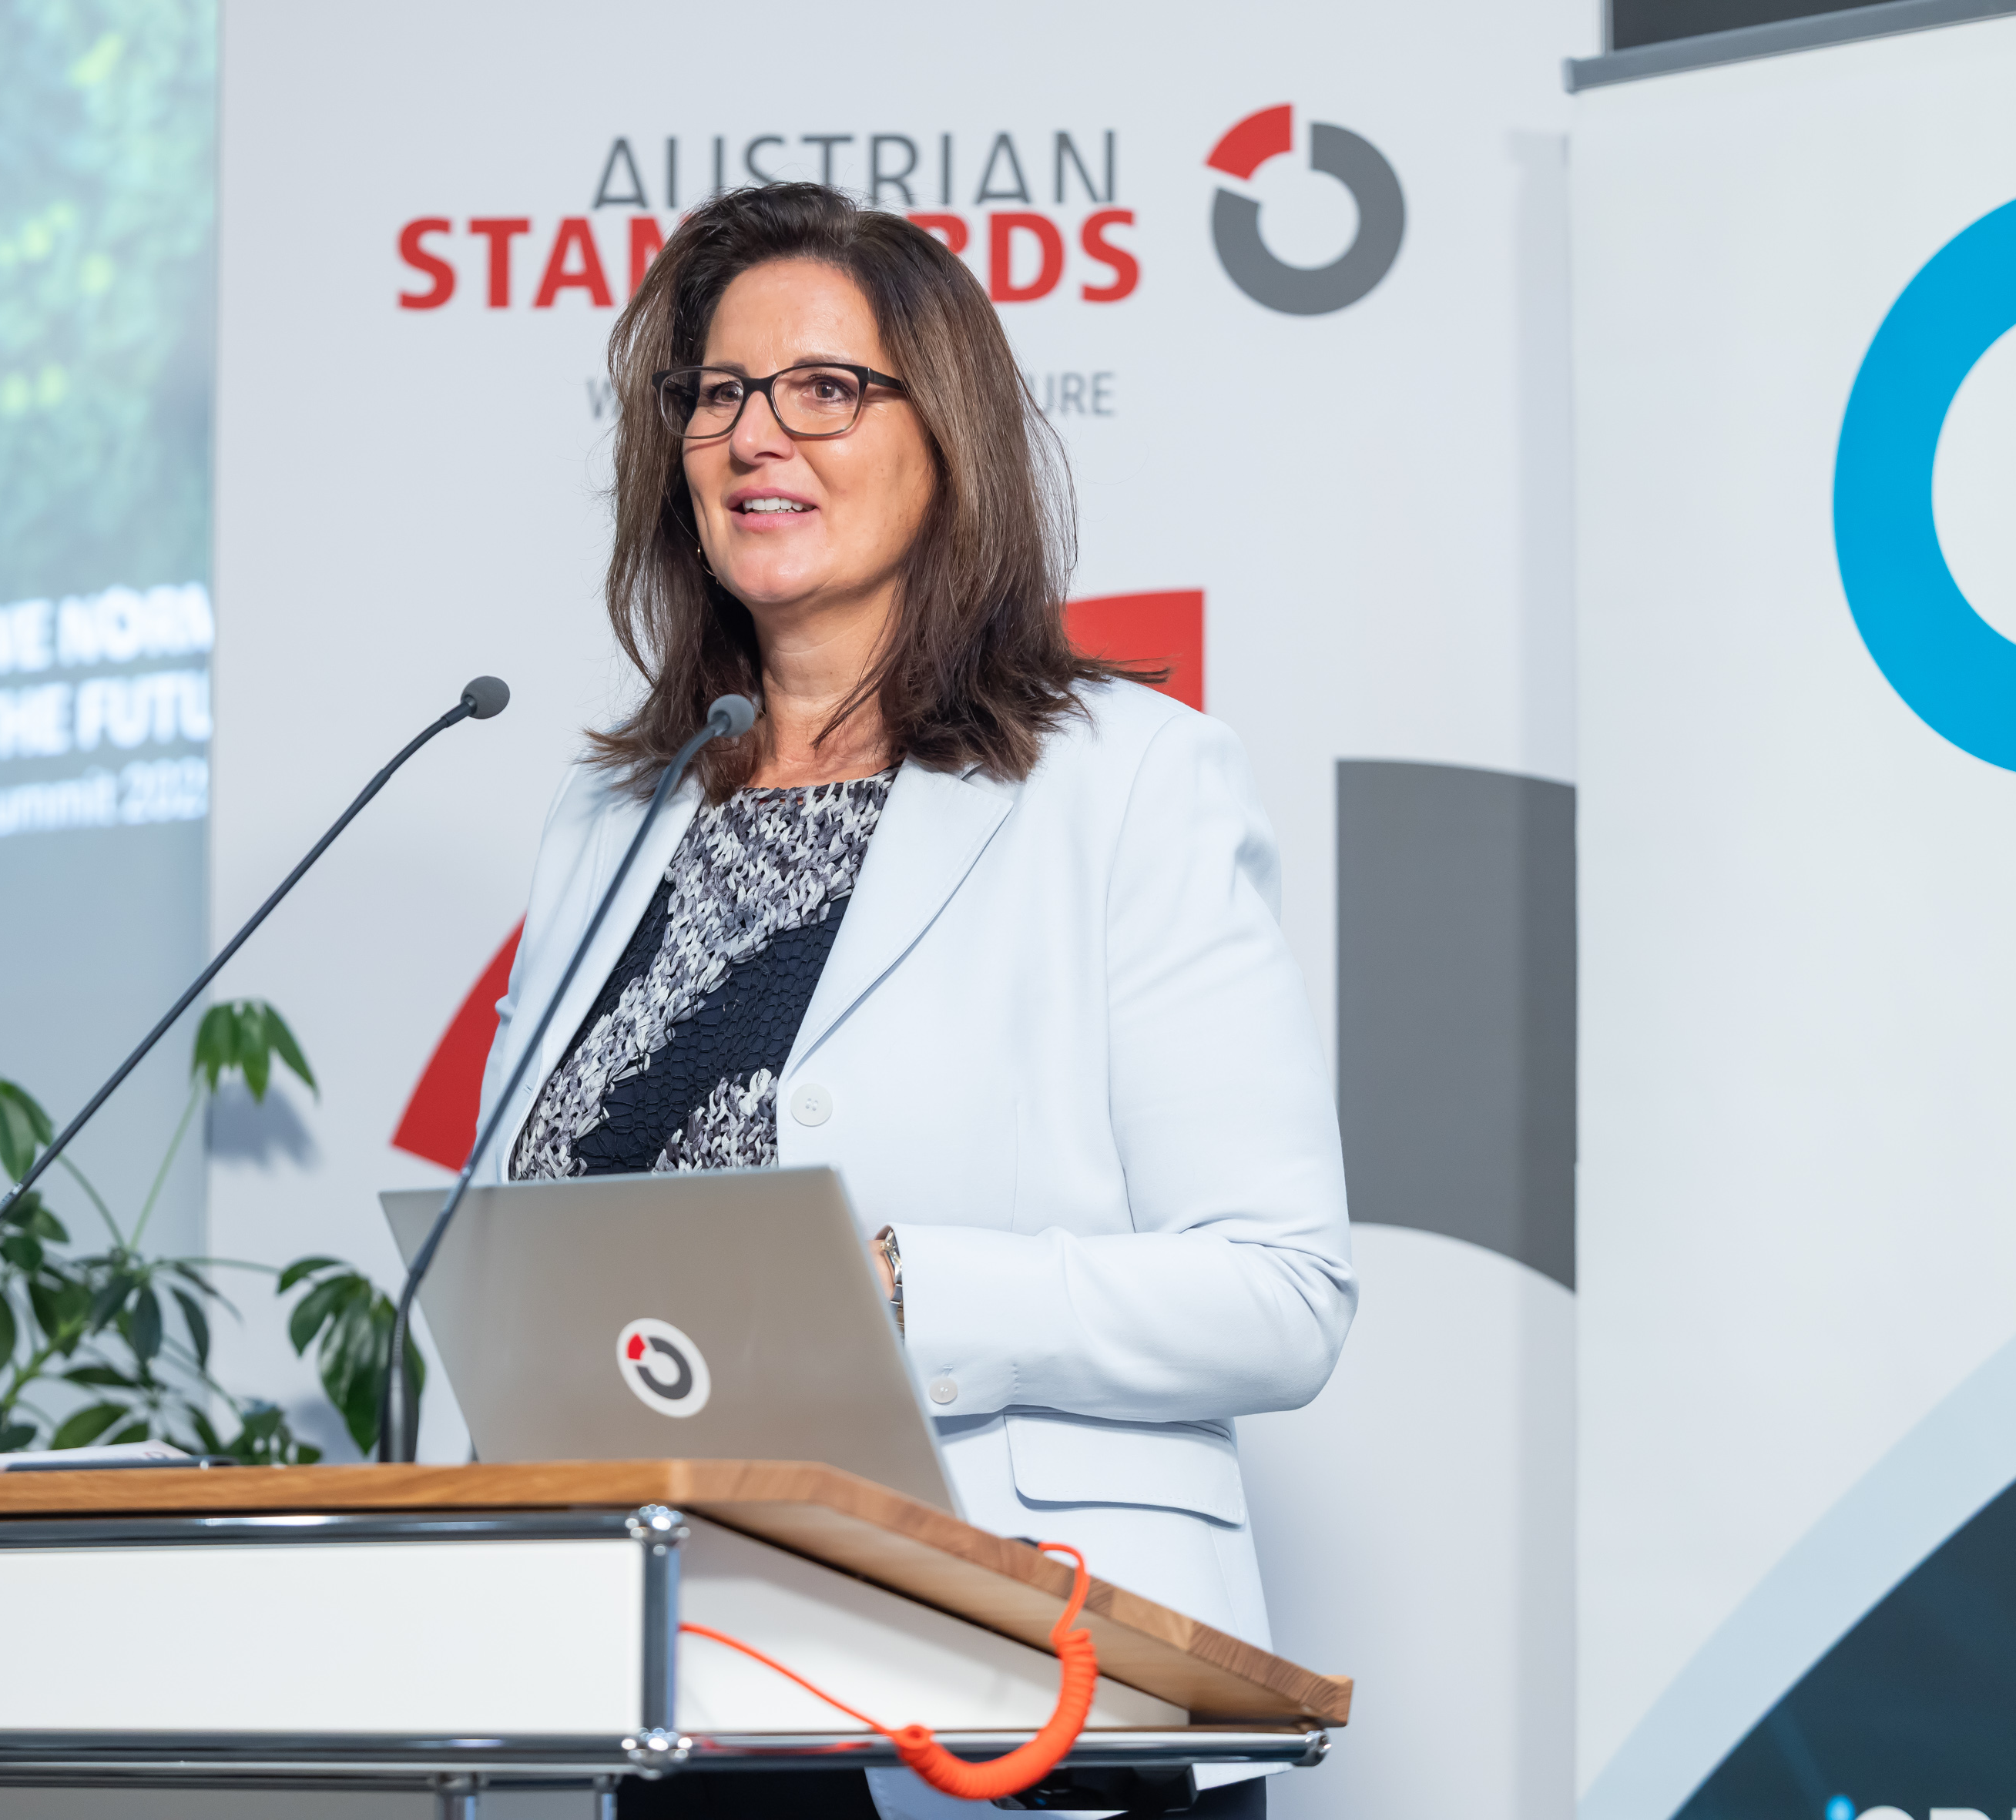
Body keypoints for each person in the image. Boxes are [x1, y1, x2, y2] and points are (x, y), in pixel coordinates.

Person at [471, 183, 1355, 1819]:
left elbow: (1280, 1292)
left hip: (1027, 1702)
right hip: (682, 1699)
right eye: (716, 394)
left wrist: (895, 1288)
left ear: (946, 439)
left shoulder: (1127, 781)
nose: (755, 435)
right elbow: (522, 1252)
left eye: (825, 388)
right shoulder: (612, 816)